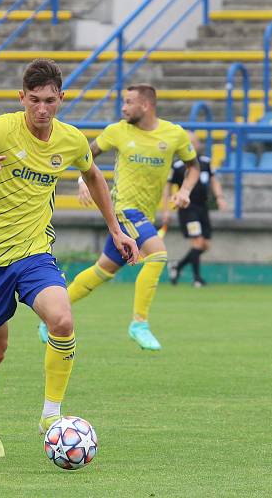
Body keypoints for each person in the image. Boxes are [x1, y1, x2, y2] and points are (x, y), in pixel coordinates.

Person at [0, 59, 139, 459]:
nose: (42, 109)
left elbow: (94, 175)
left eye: (49, 100)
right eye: (34, 101)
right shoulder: (1, 129)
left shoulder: (72, 141)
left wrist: (115, 229)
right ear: (22, 98)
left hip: (34, 253)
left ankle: (51, 415)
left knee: (61, 320)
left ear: (61, 98)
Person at [39, 84, 199, 351]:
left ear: (146, 105)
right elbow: (84, 155)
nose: (123, 108)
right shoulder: (116, 131)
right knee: (158, 255)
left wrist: (185, 190)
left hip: (143, 214)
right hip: (123, 209)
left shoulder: (174, 134)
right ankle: (139, 323)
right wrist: (81, 179)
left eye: (128, 102)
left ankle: (50, 316)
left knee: (102, 271)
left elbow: (193, 167)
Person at [163, 131, 228, 287]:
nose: (193, 146)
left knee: (205, 244)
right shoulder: (178, 166)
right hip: (187, 208)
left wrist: (220, 198)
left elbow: (214, 181)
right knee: (197, 242)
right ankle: (197, 278)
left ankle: (177, 266)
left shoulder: (205, 162)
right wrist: (166, 210)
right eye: (189, 143)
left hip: (202, 207)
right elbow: (167, 187)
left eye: (195, 143)